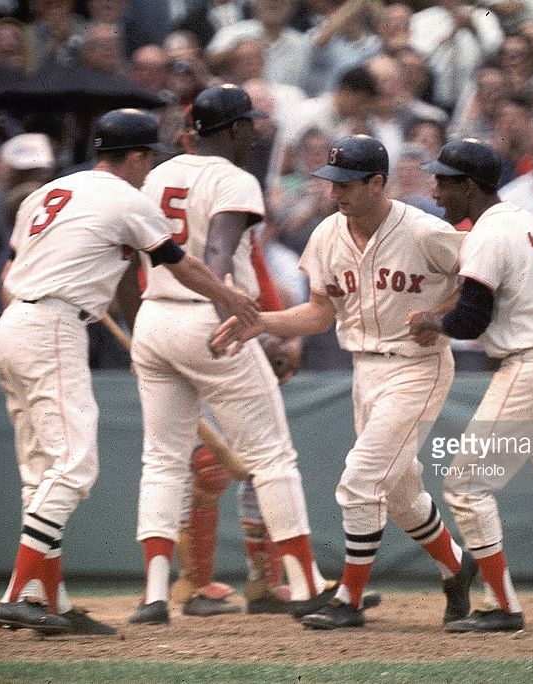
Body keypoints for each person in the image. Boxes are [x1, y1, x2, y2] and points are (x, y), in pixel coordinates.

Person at [0, 107, 258, 635]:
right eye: (147, 158)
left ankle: (54, 603)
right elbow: (180, 264)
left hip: (15, 320)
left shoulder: (47, 193)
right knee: (73, 466)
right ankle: (19, 594)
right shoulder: (125, 198)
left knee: (42, 473)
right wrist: (230, 296)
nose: (148, 168)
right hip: (53, 325)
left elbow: (11, 271)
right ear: (134, 156)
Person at [213, 134, 477, 631]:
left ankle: (349, 597)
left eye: (349, 184)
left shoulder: (424, 230)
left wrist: (441, 313)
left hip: (417, 366)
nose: (337, 193)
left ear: (378, 183)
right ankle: (457, 565)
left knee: (360, 480)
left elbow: (478, 283)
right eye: (332, 183)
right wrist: (264, 323)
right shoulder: (327, 235)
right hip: (364, 368)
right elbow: (319, 312)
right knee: (398, 492)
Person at [129, 83, 331, 626]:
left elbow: (140, 257)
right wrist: (235, 324)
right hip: (208, 317)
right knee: (272, 456)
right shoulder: (234, 177)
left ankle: (153, 594)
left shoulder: (158, 174)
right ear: (237, 129)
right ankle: (306, 582)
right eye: (251, 125)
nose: (256, 133)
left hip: (154, 317)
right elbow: (218, 253)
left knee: (163, 461)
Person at [407, 137, 533, 632]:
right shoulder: (520, 218)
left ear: (471, 186)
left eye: (446, 181)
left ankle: (503, 606)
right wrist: (441, 313)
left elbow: (472, 321)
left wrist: (432, 323)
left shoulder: (489, 234)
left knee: (465, 485)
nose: (436, 189)